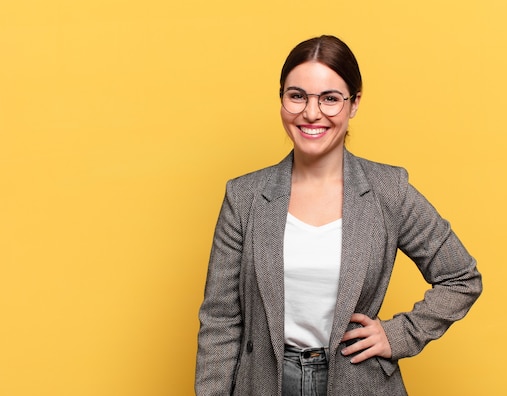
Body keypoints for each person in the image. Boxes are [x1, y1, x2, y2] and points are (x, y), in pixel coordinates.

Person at [195, 35, 482, 396]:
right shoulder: (245, 197)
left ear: (354, 103)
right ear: (281, 97)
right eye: (297, 95)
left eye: (330, 99)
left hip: (357, 382)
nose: (311, 113)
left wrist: (398, 335)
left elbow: (461, 277)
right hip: (266, 382)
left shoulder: (388, 190)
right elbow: (220, 320)